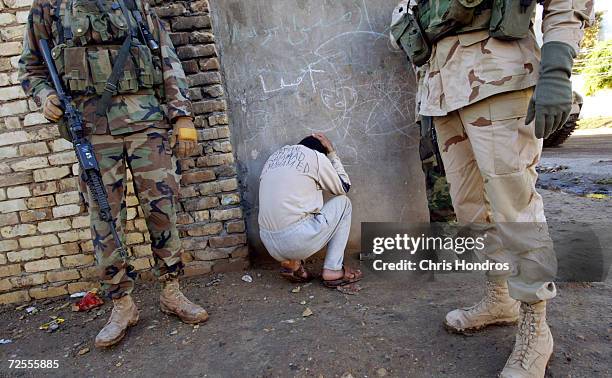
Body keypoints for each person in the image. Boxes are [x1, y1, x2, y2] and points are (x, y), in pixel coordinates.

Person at [390, 0, 593, 377]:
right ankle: (500, 299)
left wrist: (556, 71)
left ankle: (536, 329)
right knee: (470, 210)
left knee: (515, 211)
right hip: (442, 92)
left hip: (500, 76)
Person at [19, 0, 209, 348]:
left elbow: (167, 56)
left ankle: (172, 291)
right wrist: (44, 95)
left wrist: (182, 115)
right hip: (92, 131)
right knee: (105, 222)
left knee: (162, 209)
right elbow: (30, 66)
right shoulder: (49, 7)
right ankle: (122, 305)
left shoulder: (133, 2)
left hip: (147, 124)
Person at [258, 133, 362, 287]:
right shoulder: (315, 157)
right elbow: (344, 186)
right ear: (321, 152)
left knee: (294, 210)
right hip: (295, 239)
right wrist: (332, 153)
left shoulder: (273, 159)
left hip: (268, 242)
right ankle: (333, 270)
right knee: (344, 204)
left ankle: (294, 264)